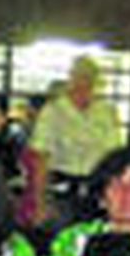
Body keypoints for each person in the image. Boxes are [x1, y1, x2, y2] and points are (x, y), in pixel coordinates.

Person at [27, 56, 122, 226]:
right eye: (80, 76)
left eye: (90, 77)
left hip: (97, 193)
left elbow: (115, 159)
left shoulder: (106, 112)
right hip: (63, 194)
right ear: (71, 78)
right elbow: (39, 159)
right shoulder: (53, 111)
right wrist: (39, 202)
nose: (84, 82)